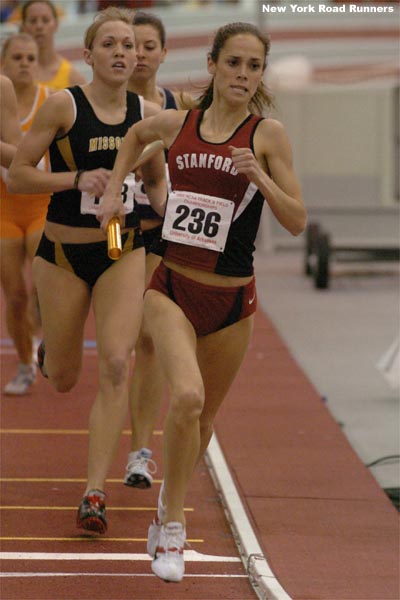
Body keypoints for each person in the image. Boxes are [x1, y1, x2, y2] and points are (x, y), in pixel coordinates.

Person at [98, 21, 307, 582]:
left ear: (261, 74)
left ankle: (172, 496)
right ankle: (171, 522)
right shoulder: (176, 122)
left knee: (204, 420)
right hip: (171, 286)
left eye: (253, 66)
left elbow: (296, 221)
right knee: (185, 396)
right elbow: (136, 138)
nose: (242, 75)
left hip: (234, 300)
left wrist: (259, 177)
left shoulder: (268, 135)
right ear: (213, 65)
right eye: (233, 63)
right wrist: (118, 189)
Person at [8, 6, 167, 534]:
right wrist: (75, 180)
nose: (124, 53)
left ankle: (93, 492)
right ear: (90, 54)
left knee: (118, 362)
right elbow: (18, 176)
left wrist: (164, 213)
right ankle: (52, 349)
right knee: (64, 379)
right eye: (112, 45)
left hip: (123, 249)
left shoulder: (146, 113)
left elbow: (156, 179)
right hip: (61, 255)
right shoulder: (64, 107)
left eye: (131, 45)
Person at [124, 10, 194, 491]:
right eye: (133, 45)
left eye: (150, 46)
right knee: (116, 334)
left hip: (156, 230)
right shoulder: (98, 104)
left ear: (164, 53)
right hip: (108, 230)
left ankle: (139, 452)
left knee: (146, 339)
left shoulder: (178, 107)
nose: (141, 54)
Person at [1, 33, 52, 395]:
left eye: (30, 58)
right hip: (4, 206)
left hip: (41, 203)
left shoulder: (51, 100)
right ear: (4, 63)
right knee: (15, 295)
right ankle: (23, 362)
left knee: (43, 286)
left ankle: (50, 343)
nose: (24, 64)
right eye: (16, 57)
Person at [20, 0, 86, 89]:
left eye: (45, 20)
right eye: (33, 21)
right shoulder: (15, 72)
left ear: (56, 24)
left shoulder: (72, 77)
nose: (39, 26)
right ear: (23, 26)